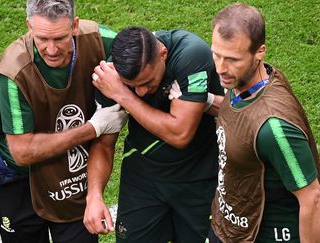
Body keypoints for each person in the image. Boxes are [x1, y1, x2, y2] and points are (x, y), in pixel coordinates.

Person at [0, 0, 127, 242]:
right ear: (28, 26)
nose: (52, 49)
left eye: (60, 39)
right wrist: (94, 128)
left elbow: (150, 49)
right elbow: (22, 152)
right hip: (20, 179)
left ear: (75, 25)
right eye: (42, 39)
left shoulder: (101, 40)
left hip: (70, 173)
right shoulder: (13, 72)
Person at [207, 3, 320, 243]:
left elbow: (313, 199)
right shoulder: (243, 82)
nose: (221, 68)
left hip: (263, 235)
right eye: (216, 54)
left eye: (232, 59)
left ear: (259, 52)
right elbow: (239, 116)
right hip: (231, 226)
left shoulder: (275, 128)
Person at [83, 27, 224, 242]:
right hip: (143, 179)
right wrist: (94, 195)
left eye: (148, 82)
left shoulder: (191, 55)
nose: (141, 91)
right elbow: (103, 144)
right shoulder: (110, 75)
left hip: (198, 177)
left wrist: (123, 95)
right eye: (133, 86)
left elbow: (180, 135)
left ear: (163, 54)